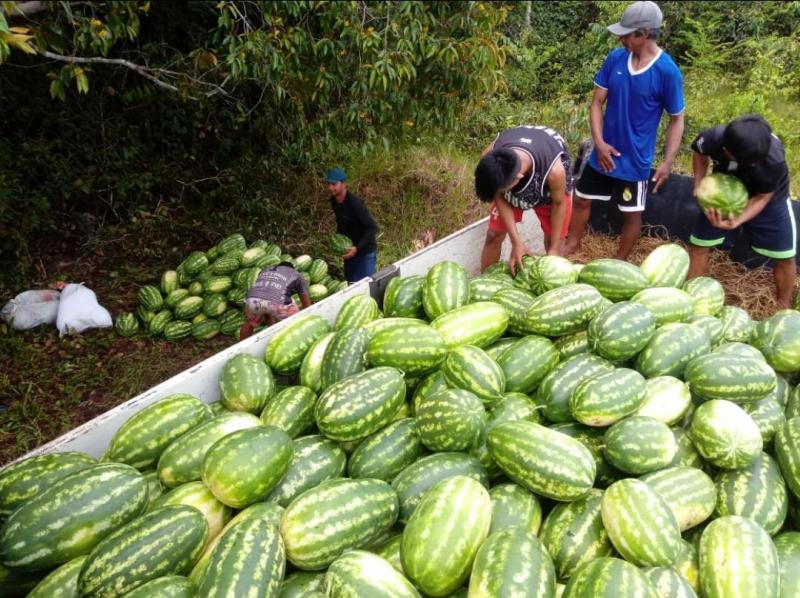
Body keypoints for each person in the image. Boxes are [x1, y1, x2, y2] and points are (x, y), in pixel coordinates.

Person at [564, 0, 685, 260]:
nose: (621, 39)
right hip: (602, 154)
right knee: (582, 199)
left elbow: (677, 119)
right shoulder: (616, 59)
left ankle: (619, 261)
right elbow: (597, 103)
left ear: (644, 33)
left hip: (635, 161)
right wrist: (599, 142)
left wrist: (667, 162)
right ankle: (571, 245)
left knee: (631, 213)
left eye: (626, 34)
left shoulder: (667, 72)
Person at [688, 114, 796, 309]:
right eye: (750, 163)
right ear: (727, 151)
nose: (755, 164)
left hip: (768, 199)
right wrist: (698, 182)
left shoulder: (773, 161)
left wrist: (738, 220)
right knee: (699, 246)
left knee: (785, 256)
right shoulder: (713, 138)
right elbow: (699, 152)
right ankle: (691, 300)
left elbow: (763, 197)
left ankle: (783, 307)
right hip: (724, 191)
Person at [475, 125, 574, 273]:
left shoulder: (555, 172)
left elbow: (558, 204)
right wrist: (516, 242)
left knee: (555, 243)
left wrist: (553, 250)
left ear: (517, 178)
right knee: (493, 234)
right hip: (527, 148)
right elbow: (500, 196)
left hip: (548, 190)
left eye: (503, 190)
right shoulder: (491, 158)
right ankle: (485, 281)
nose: (501, 194)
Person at [325, 167, 379, 282]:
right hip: (349, 250)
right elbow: (341, 222)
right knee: (351, 284)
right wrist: (337, 242)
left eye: (334, 184)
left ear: (344, 184)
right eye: (329, 184)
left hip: (365, 252)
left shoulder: (355, 203)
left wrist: (357, 248)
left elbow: (373, 228)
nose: (330, 187)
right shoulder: (334, 201)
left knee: (367, 285)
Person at [239, 262, 311, 339]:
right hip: (277, 303)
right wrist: (307, 315)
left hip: (251, 300)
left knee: (250, 323)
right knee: (297, 321)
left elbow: (266, 302)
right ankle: (299, 340)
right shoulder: (296, 274)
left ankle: (240, 347)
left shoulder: (265, 270)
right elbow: (306, 303)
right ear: (292, 268)